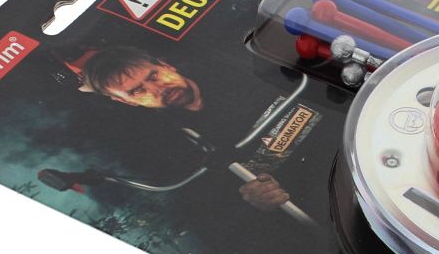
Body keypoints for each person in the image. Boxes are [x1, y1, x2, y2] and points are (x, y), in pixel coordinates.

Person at [70, 45, 291, 213]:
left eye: (153, 76)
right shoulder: (167, 142)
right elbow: (212, 197)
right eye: (137, 91)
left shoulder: (235, 65)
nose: (158, 89)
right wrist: (251, 197)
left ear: (166, 65)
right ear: (126, 102)